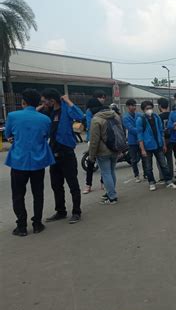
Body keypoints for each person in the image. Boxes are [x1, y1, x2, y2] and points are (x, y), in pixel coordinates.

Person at [4, 89, 55, 236]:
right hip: (38, 162)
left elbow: (8, 134)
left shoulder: (12, 116)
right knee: (38, 193)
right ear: (37, 103)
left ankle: (21, 227)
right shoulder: (45, 119)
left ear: (23, 102)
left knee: (18, 194)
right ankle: (37, 224)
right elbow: (46, 136)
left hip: (19, 162)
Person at [39, 89, 84, 224]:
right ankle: (61, 211)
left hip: (67, 153)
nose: (44, 103)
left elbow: (80, 116)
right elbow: (32, 114)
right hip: (54, 154)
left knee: (73, 184)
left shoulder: (66, 110)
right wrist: (42, 106)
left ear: (52, 100)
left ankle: (76, 212)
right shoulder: (50, 112)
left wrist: (68, 101)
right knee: (56, 185)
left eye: (45, 100)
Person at [136, 101, 176, 191]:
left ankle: (169, 181)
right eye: (147, 108)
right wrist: (142, 149)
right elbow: (139, 135)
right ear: (143, 110)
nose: (149, 110)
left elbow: (161, 131)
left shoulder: (156, 117)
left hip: (158, 145)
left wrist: (163, 144)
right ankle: (151, 183)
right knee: (148, 167)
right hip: (147, 147)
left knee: (164, 164)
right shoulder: (141, 120)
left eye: (150, 108)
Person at [88, 98, 122, 205]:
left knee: (106, 173)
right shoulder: (115, 115)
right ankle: (110, 193)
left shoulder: (96, 119)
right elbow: (120, 131)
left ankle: (112, 197)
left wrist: (91, 156)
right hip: (115, 148)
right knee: (111, 171)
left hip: (103, 152)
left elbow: (94, 140)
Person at [83, 90, 107, 194]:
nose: (103, 99)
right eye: (101, 97)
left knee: (102, 162)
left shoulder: (104, 110)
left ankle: (102, 183)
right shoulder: (89, 111)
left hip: (102, 139)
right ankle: (88, 184)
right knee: (91, 161)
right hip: (93, 138)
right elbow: (89, 125)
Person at [122, 99, 145, 182]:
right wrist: (140, 131)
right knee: (134, 160)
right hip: (132, 141)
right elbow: (130, 128)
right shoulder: (125, 117)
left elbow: (143, 124)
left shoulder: (139, 115)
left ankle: (146, 173)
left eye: (135, 105)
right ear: (128, 107)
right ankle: (136, 175)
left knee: (144, 158)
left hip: (141, 140)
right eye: (132, 105)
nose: (134, 107)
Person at [157, 98, 173, 183]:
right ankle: (170, 175)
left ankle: (163, 176)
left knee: (160, 159)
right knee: (169, 158)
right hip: (171, 138)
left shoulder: (158, 117)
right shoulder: (171, 115)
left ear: (159, 106)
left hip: (162, 139)